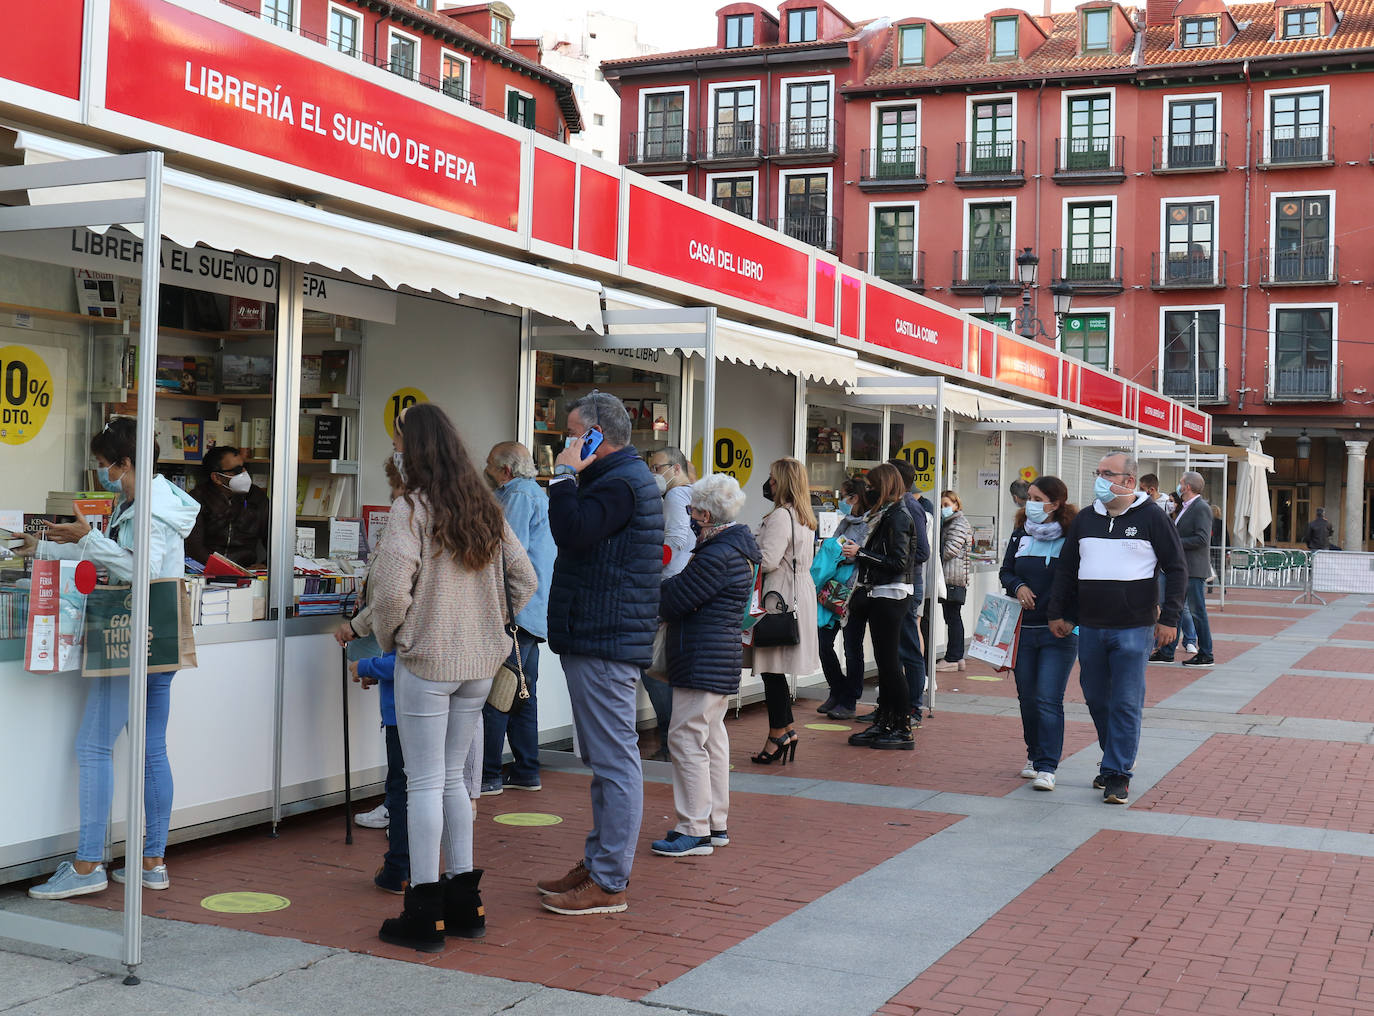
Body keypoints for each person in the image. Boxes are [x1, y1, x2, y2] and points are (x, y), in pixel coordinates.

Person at [368, 403, 536, 952]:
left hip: (428, 659)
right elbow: (524, 577)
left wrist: (398, 638)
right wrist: (491, 620)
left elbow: (391, 590)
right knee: (453, 781)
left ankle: (423, 908)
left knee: (421, 784)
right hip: (479, 663)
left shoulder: (411, 508)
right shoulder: (485, 506)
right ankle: (465, 900)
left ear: (412, 450)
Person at [25, 418, 200, 899]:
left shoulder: (149, 510)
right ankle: (153, 861)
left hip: (129, 639)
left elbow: (136, 566)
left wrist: (87, 538)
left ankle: (86, 866)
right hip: (158, 639)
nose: (100, 474)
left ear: (125, 463)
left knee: (93, 746)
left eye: (105, 466)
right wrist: (47, 545)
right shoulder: (152, 502)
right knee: (151, 748)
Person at [538, 392, 664, 916]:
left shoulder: (620, 482)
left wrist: (564, 477)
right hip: (598, 633)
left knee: (613, 760)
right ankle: (599, 863)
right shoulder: (619, 479)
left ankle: (610, 879)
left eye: (572, 435)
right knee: (605, 759)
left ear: (595, 435)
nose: (565, 444)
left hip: (605, 637)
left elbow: (573, 530)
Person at [1046, 451, 1186, 806]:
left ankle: (1118, 773)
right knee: (1095, 697)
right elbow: (1067, 569)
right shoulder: (1085, 520)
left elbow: (1177, 568)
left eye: (1106, 473)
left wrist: (1170, 619)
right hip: (1090, 626)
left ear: (1128, 481)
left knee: (1125, 701)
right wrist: (1059, 612)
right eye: (1098, 472)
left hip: (1134, 627)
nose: (1099, 478)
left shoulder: (1152, 517)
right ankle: (1115, 757)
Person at [651, 474, 760, 856]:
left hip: (702, 655)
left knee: (685, 738)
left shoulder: (718, 554)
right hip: (715, 655)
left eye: (692, 510)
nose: (689, 516)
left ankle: (694, 827)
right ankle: (714, 823)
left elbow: (674, 598)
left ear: (706, 514)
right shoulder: (733, 548)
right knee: (711, 739)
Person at [337, 456, 410, 892]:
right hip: (450, 682)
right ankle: (451, 878)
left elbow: (393, 604)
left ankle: (402, 867)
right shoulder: (469, 515)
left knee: (405, 782)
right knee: (440, 783)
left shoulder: (409, 520)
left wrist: (367, 661)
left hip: (409, 693)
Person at [480, 442, 555, 796]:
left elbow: (507, 552)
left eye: (490, 466)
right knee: (524, 694)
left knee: (499, 694)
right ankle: (526, 770)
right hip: (531, 612)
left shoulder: (517, 496)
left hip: (514, 611)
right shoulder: (534, 493)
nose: (486, 471)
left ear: (505, 470)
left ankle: (489, 774)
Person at [1000, 475, 1079, 791]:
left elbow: (1080, 581)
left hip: (1058, 632)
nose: (1028, 503)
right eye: (1028, 497)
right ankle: (1033, 755)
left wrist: (1071, 618)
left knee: (1048, 698)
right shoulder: (1021, 535)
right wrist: (1017, 586)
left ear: (1056, 503)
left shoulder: (1072, 537)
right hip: (1023, 630)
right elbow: (1006, 570)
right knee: (1027, 698)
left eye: (1036, 498)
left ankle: (1048, 765)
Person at [843, 464, 918, 750]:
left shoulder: (898, 515)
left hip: (891, 594)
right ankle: (886, 721)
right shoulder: (887, 514)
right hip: (881, 593)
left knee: (889, 664)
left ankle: (901, 726)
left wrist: (860, 553)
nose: (868, 490)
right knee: (886, 664)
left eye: (871, 485)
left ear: (883, 486)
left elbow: (899, 562)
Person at [749, 458, 819, 765]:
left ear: (783, 483)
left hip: (779, 596)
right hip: (798, 593)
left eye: (773, 480)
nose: (769, 485)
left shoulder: (780, 516)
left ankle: (778, 734)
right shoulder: (804, 516)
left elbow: (768, 560)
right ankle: (786, 729)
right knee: (774, 668)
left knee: (772, 668)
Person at [642, 446, 693, 759]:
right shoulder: (693, 495)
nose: (654, 474)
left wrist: (649, 567)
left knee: (654, 668)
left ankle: (668, 740)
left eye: (657, 467)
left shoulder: (674, 497)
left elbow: (673, 542)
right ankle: (677, 738)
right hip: (686, 589)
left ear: (676, 468)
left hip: (667, 589)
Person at [812, 477, 872, 720]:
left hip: (853, 591)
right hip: (833, 589)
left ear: (854, 497)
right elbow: (836, 546)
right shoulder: (846, 522)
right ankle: (837, 689)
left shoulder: (868, 523)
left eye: (844, 496)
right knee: (824, 643)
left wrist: (846, 552)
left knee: (851, 647)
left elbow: (856, 554)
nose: (841, 502)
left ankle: (850, 698)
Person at [887, 458, 931, 724]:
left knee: (909, 648)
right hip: (893, 586)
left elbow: (923, 551)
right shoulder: (894, 505)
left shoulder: (910, 507)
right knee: (893, 649)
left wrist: (896, 558)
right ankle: (892, 705)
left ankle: (914, 706)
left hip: (906, 585)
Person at [184, 445, 270, 567]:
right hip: (206, 571)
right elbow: (194, 546)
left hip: (247, 572)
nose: (244, 473)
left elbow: (274, 539)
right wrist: (223, 569)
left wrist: (266, 565)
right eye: (237, 470)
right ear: (217, 478)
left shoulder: (256, 496)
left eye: (244, 468)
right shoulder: (198, 498)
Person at [1164, 471, 1215, 668]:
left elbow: (1202, 539)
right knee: (1175, 609)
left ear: (1187, 487)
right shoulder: (1186, 508)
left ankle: (1206, 653)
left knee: (1197, 611)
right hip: (1183, 568)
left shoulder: (1201, 508)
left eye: (1181, 483)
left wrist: (1175, 541)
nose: (1178, 486)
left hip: (1193, 569)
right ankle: (1167, 650)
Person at [934, 491, 972, 673]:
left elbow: (950, 550)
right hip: (952, 576)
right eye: (941, 505)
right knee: (952, 617)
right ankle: (956, 656)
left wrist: (933, 555)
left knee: (953, 617)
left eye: (947, 505)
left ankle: (954, 657)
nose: (943, 509)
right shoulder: (949, 522)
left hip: (953, 577)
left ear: (957, 505)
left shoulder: (958, 523)